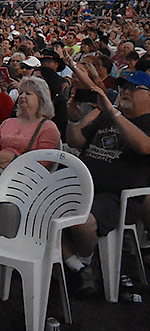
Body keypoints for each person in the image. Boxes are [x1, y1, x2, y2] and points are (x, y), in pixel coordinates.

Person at [62, 70, 150, 295]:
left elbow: (145, 147)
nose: (125, 91)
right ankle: (79, 266)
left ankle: (83, 262)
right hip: (83, 185)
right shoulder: (107, 116)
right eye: (123, 87)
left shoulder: (142, 120)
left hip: (116, 197)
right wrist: (74, 118)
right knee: (34, 202)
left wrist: (112, 111)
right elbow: (76, 140)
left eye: (133, 88)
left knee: (81, 220)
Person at [0, 76, 61, 184]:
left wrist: (13, 158)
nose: (22, 96)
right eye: (21, 93)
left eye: (28, 94)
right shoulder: (8, 122)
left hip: (22, 182)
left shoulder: (48, 128)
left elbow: (42, 163)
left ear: (41, 99)